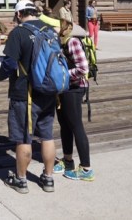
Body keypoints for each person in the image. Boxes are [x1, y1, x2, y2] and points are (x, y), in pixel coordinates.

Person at [0, 0, 58, 194]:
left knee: (23, 138)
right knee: (47, 136)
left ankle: (21, 180)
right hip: (48, 91)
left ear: (19, 14)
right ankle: (48, 179)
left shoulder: (19, 32)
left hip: (24, 93)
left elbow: (10, 64)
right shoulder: (49, 30)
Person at [54, 19, 95, 181]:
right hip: (64, 87)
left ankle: (86, 168)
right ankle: (68, 160)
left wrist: (62, 75)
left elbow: (83, 68)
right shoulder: (60, 42)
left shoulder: (72, 42)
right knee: (65, 125)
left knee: (76, 125)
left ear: (62, 28)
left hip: (75, 88)